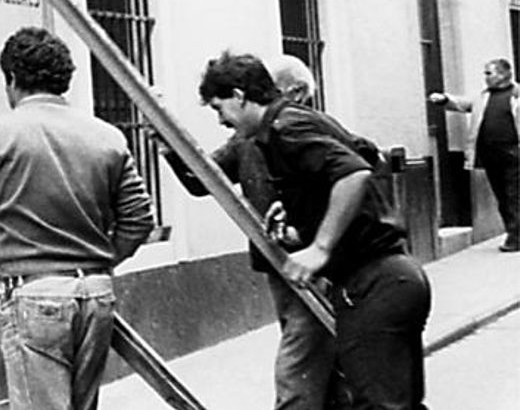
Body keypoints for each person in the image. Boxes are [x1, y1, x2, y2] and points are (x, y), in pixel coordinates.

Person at [0, 26, 154, 410]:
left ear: (12, 79)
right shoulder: (108, 136)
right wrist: (99, 261)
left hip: (35, 298)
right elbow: (139, 220)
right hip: (96, 295)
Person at [199, 52, 429, 410]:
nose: (220, 120)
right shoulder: (289, 125)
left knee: (378, 404)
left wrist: (320, 247)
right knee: (393, 402)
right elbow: (363, 158)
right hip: (390, 280)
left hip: (374, 282)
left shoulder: (285, 127)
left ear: (239, 96)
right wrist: (299, 224)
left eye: (219, 107)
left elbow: (353, 173)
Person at [159, 55, 343, 410]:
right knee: (313, 357)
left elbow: (355, 174)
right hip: (282, 262)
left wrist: (318, 243)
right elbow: (202, 180)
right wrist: (169, 144)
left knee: (301, 363)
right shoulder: (249, 139)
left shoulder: (300, 130)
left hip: (311, 264)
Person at [429, 58, 520, 252]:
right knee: (502, 196)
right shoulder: (483, 97)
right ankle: (514, 231)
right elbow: (462, 104)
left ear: (504, 74)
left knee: (514, 194)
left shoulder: (516, 94)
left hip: (514, 153)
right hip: (490, 154)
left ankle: (515, 236)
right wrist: (445, 99)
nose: (486, 77)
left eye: (489, 73)